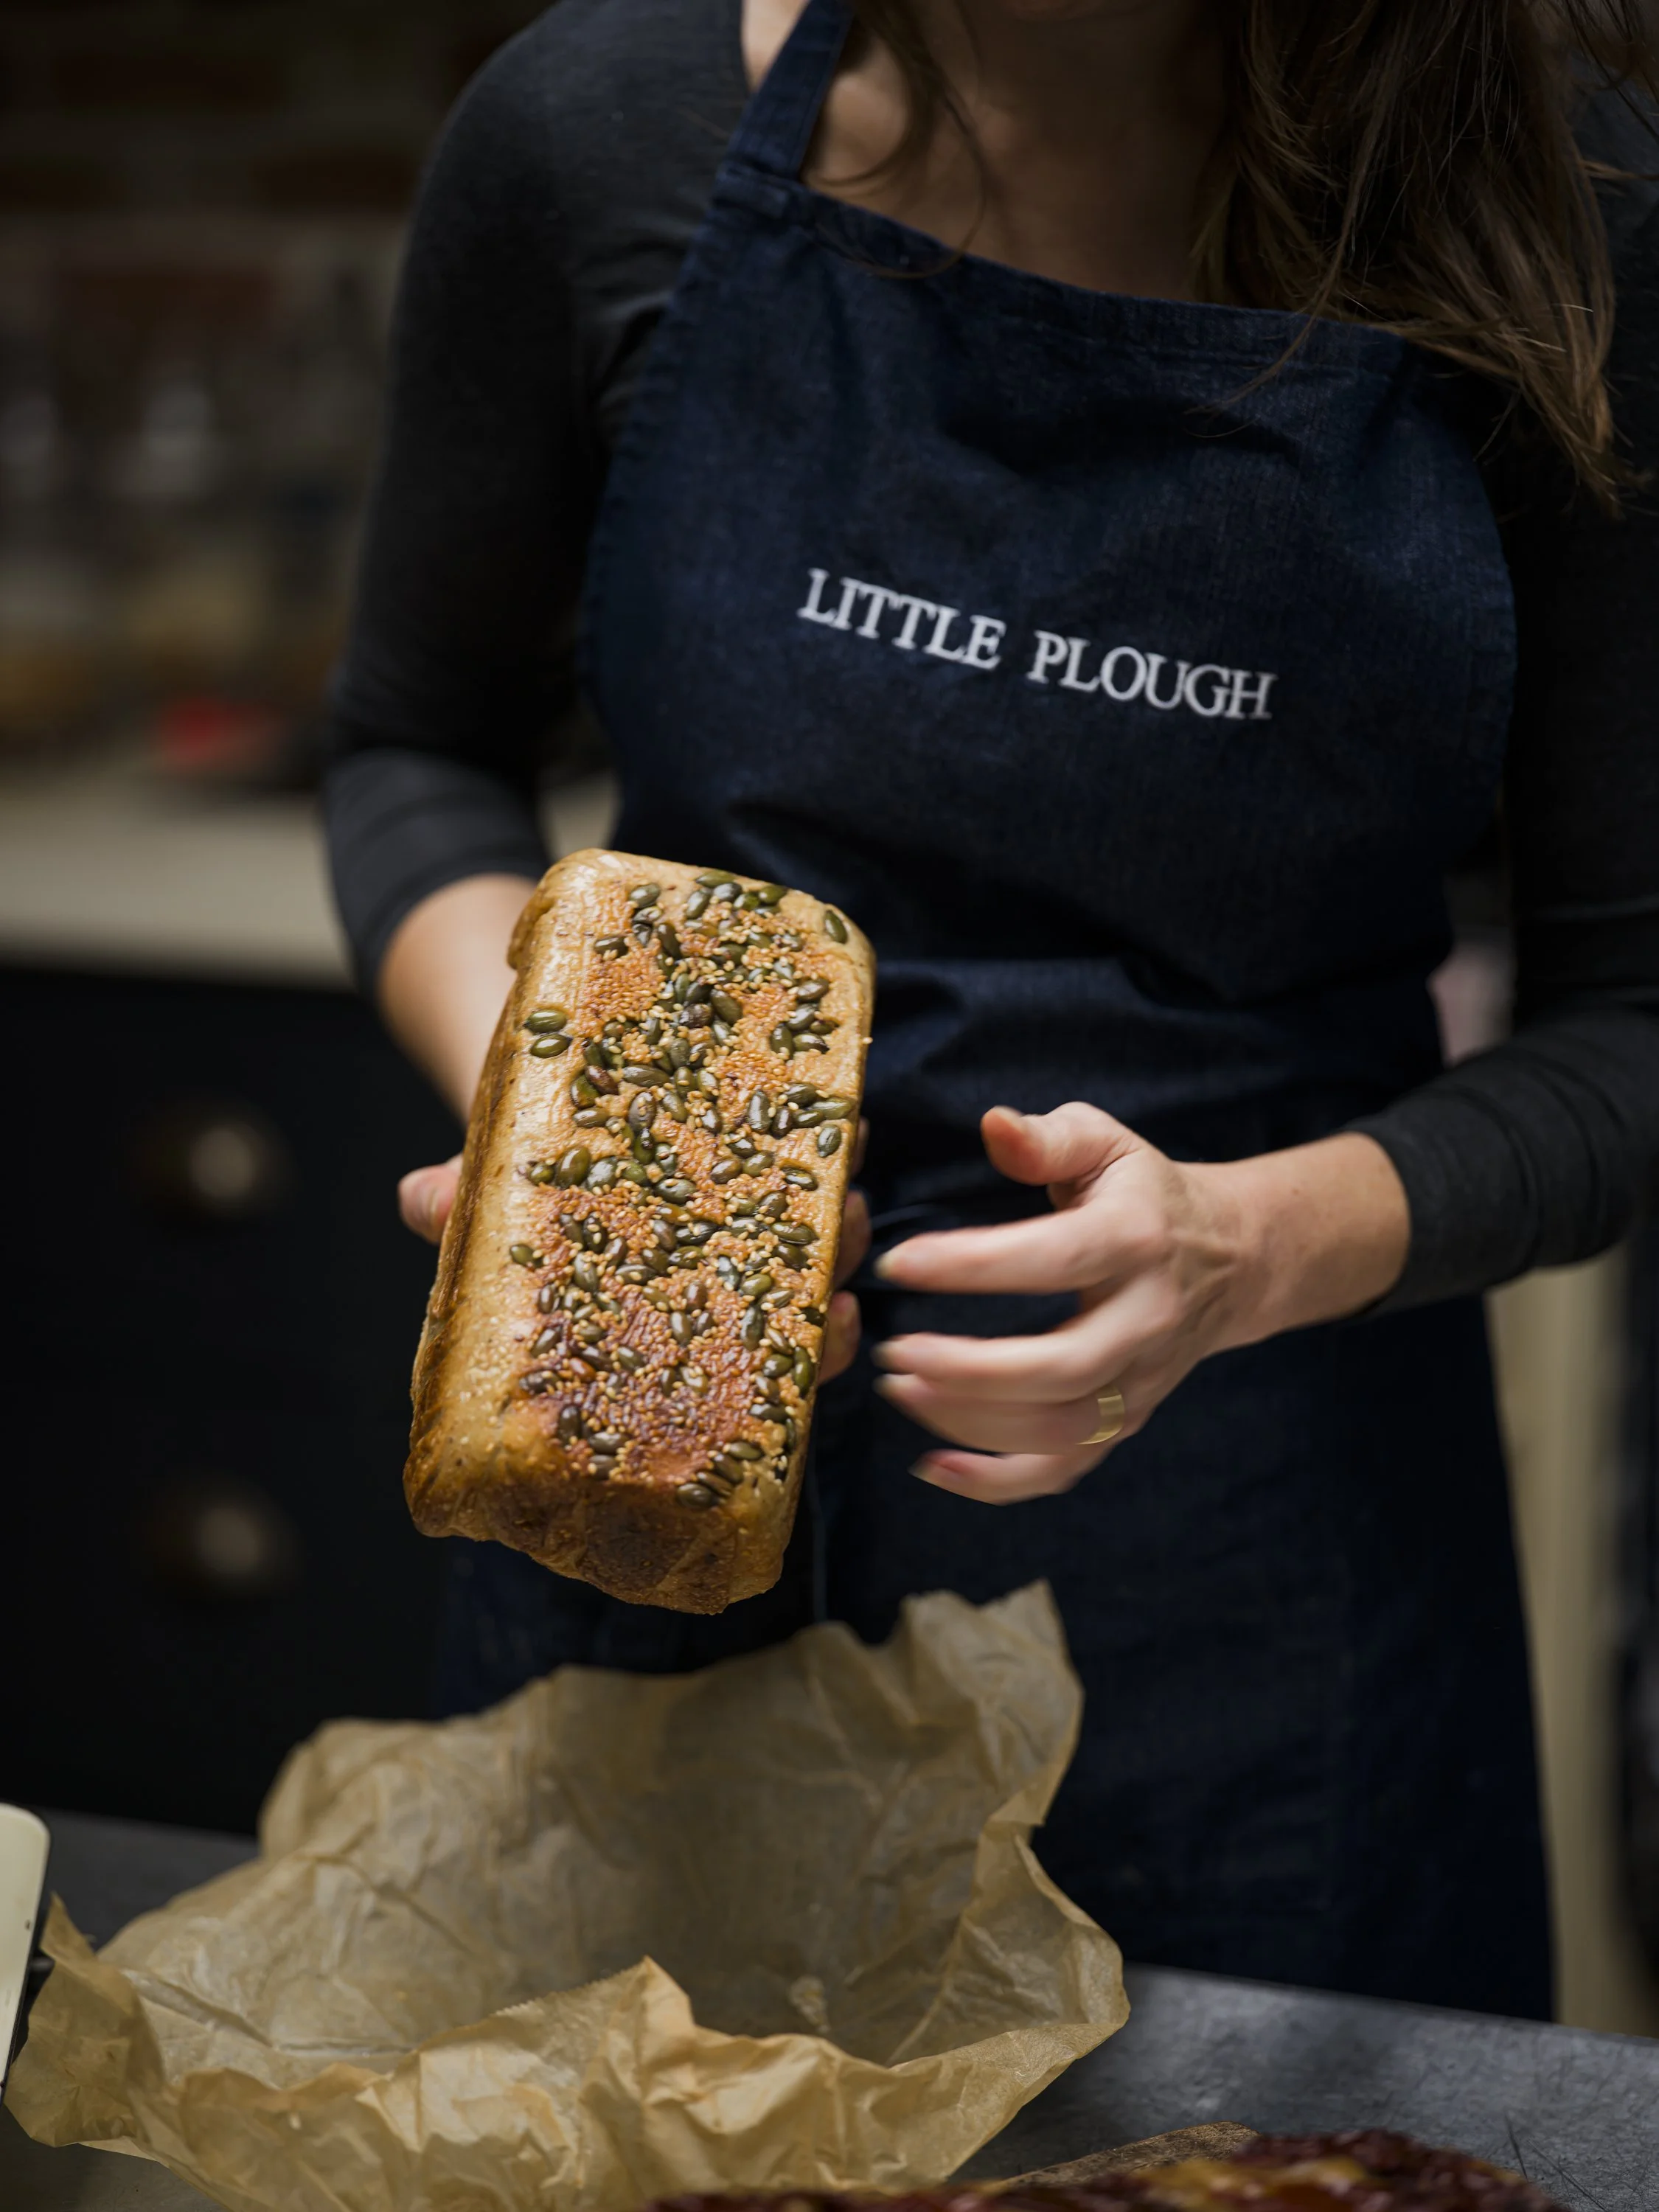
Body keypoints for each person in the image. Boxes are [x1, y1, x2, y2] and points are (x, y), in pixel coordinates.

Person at [324, 0, 1659, 2018]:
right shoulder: (599, 131)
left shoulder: (1574, 209)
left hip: (1262, 1614)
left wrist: (1247, 1247)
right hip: (643, 1546)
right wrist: (561, 1118)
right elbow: (411, 750)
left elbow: (1632, 1021)